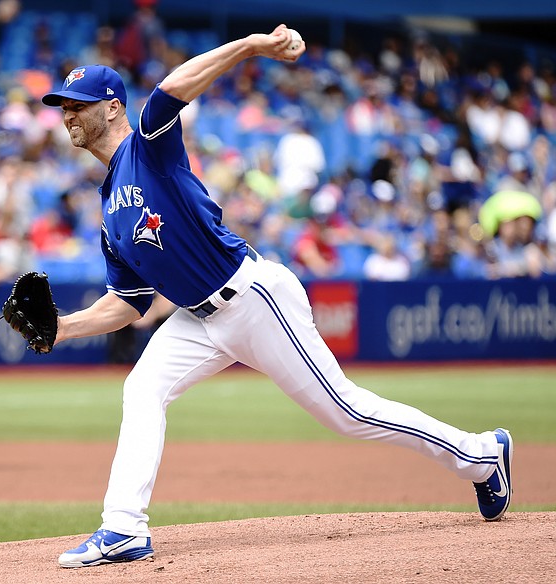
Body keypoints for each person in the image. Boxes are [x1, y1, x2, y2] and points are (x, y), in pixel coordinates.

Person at [39, 25, 512, 569]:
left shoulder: (147, 148)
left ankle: (481, 455)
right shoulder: (108, 210)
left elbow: (172, 87)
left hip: (252, 298)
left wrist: (251, 46)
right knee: (142, 388)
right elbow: (128, 301)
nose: (68, 114)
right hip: (199, 319)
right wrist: (62, 327)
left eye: (78, 103)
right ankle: (123, 528)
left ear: (113, 106)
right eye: (62, 106)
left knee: (348, 413)